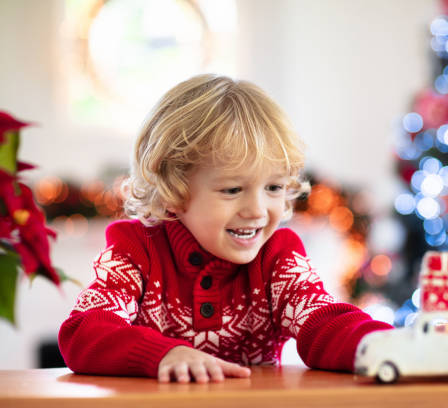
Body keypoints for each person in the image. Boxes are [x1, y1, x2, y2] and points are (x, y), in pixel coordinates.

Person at [58, 74, 393, 383]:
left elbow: (323, 321)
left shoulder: (277, 257)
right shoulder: (136, 251)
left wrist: (385, 343)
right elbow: (84, 331)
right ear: (174, 192)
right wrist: (163, 354)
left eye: (273, 188)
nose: (257, 210)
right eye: (232, 190)